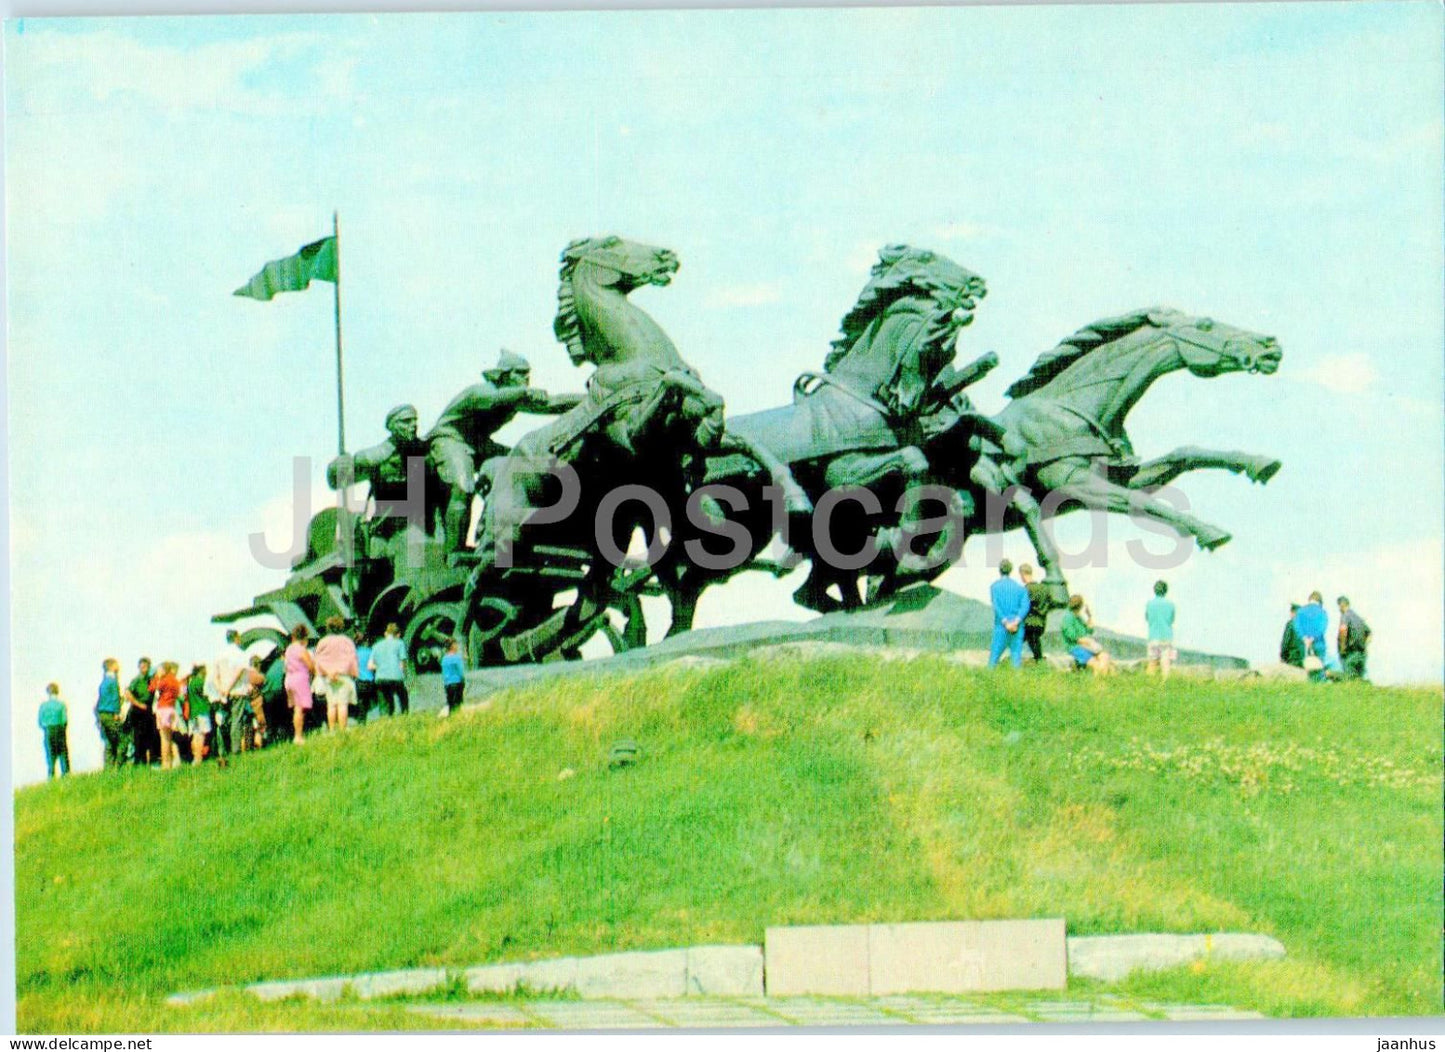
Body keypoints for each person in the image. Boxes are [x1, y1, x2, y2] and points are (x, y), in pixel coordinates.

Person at [426, 351, 579, 552]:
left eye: (528, 374)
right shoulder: (480, 392)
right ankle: (455, 551)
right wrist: (523, 393)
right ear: (504, 375)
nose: (527, 378)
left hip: (479, 443)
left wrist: (595, 396)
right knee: (463, 486)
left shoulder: (515, 396)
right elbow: (496, 398)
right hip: (450, 439)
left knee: (517, 466)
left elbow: (552, 403)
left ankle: (490, 530)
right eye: (521, 373)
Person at [326, 404, 433, 539]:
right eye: (406, 421)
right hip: (387, 532)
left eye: (415, 420)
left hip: (424, 529)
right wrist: (338, 467)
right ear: (393, 427)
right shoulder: (375, 457)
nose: (414, 425)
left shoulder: (426, 452)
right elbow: (335, 481)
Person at [314, 616, 360, 732]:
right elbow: (352, 659)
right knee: (343, 704)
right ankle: (343, 729)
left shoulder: (322, 642)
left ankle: (332, 730)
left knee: (331, 704)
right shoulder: (347, 641)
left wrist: (327, 673)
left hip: (328, 677)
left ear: (328, 628)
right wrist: (353, 673)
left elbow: (318, 661)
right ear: (341, 627)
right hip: (343, 675)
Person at [987, 559, 1031, 669]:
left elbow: (996, 606)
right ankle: (1016, 683)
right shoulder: (1021, 589)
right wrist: (1016, 621)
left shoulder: (994, 587)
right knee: (1016, 657)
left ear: (1000, 570)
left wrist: (1005, 622)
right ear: (1011, 570)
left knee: (994, 657)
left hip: (1001, 626)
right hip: (1017, 627)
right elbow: (1025, 606)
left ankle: (987, 681)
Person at [1061, 595, 1113, 675]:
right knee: (1096, 664)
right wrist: (1086, 641)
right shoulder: (1068, 618)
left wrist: (1089, 616)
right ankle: (1098, 684)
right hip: (1075, 647)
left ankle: (1103, 680)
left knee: (1105, 657)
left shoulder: (1079, 618)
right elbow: (1072, 636)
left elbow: (1090, 630)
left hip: (1087, 647)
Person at [283, 625, 317, 745]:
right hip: (300, 679)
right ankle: (298, 736)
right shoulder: (301, 650)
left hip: (289, 679)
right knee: (299, 708)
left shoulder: (288, 649)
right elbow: (310, 666)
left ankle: (298, 734)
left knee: (296, 708)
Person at [369, 622, 410, 715]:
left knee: (385, 701)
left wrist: (380, 667)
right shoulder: (400, 643)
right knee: (403, 696)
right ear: (398, 635)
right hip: (396, 676)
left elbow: (370, 666)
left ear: (385, 634)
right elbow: (402, 663)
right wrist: (405, 676)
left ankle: (385, 717)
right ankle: (405, 713)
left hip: (381, 678)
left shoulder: (376, 646)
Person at [94, 658, 128, 769]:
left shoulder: (104, 682)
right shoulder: (113, 680)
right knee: (122, 739)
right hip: (110, 714)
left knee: (109, 741)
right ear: (112, 666)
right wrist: (117, 712)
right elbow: (114, 698)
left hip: (102, 714)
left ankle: (108, 767)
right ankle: (118, 766)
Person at [150, 661, 183, 769]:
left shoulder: (164, 680)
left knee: (164, 738)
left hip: (163, 708)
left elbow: (152, 688)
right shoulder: (174, 680)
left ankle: (165, 763)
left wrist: (157, 678)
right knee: (169, 737)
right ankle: (170, 761)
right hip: (171, 708)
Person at [1018, 564, 1055, 663]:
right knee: (1034, 644)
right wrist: (1042, 612)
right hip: (1041, 624)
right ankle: (1039, 661)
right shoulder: (1044, 588)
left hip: (1028, 624)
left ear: (1022, 574)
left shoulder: (1025, 590)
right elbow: (1051, 604)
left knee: (1016, 641)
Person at [126, 657, 157, 766]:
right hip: (138, 710)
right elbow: (128, 693)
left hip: (148, 709)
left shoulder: (151, 679)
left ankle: (147, 761)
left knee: (148, 735)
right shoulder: (137, 680)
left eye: (146, 667)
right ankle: (138, 760)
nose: (144, 669)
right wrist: (138, 704)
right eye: (142, 667)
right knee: (138, 736)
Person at [1294, 591, 1329, 682]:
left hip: (1304, 645)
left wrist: (1305, 638)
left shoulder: (1300, 611)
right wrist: (1313, 638)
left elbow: (1297, 627)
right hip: (1318, 644)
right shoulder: (1322, 612)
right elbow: (1322, 628)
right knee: (1319, 669)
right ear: (1320, 602)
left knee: (1307, 671)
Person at [1144, 580, 1176, 679]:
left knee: (1152, 662)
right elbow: (1171, 620)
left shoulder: (1149, 604)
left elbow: (1147, 618)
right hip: (1167, 637)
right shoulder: (1171, 604)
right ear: (1166, 591)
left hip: (1153, 636)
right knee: (1166, 663)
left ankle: (1150, 683)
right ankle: (1165, 684)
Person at [1337, 596, 1372, 681]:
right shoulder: (1358, 618)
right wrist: (1365, 646)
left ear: (1341, 605)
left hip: (1351, 653)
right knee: (1359, 679)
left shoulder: (1345, 616)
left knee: (1348, 679)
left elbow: (1343, 631)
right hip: (1361, 654)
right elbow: (1369, 633)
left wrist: (1342, 649)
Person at [184, 664, 213, 766]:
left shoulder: (190, 683)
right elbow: (208, 694)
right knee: (201, 735)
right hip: (202, 710)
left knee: (195, 735)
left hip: (193, 712)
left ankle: (195, 758)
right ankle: (199, 758)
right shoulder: (201, 682)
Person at [39, 683, 69, 779]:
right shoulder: (61, 705)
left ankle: (51, 776)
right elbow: (64, 720)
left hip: (48, 730)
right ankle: (66, 775)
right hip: (59, 730)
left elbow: (41, 722)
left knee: (50, 755)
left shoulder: (43, 706)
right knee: (63, 754)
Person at [354, 629, 376, 724]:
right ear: (366, 641)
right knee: (369, 702)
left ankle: (361, 721)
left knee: (361, 702)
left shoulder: (355, 653)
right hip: (370, 682)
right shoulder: (371, 651)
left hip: (359, 682)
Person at [439, 638, 465, 718]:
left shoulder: (444, 659)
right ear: (453, 646)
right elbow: (461, 672)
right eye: (456, 645)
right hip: (456, 683)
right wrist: (463, 680)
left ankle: (451, 717)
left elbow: (443, 672)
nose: (457, 647)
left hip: (447, 684)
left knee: (450, 704)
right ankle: (457, 718)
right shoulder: (457, 658)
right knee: (458, 703)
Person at [1279, 603, 1305, 667]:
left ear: (1293, 613)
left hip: (1292, 660)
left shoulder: (1290, 624)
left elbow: (1285, 643)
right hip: (1303, 661)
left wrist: (1282, 657)